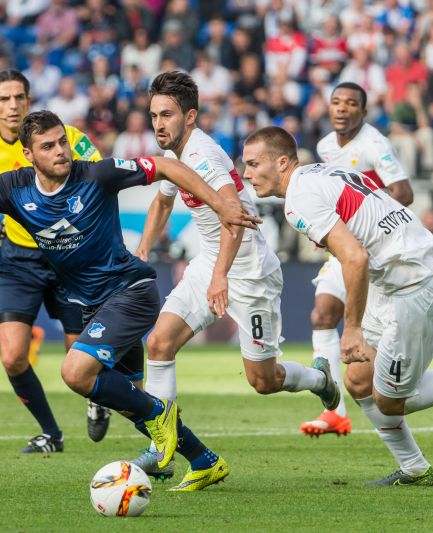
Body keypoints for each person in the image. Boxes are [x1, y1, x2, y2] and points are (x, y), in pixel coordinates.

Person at [0, 109, 259, 487]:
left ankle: (162, 416)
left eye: (63, 142)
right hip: (94, 305)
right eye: (48, 146)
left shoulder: (97, 174)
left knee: (76, 373)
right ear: (29, 155)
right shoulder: (12, 187)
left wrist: (222, 204)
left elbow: (166, 167)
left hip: (131, 293)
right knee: (130, 402)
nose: (61, 151)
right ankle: (204, 460)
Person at [242, 125, 433, 486]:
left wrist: (351, 329)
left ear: (282, 162)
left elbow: (354, 257)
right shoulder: (322, 172)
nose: (247, 173)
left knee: (390, 401)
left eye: (254, 164)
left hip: (413, 289)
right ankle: (414, 468)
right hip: (397, 278)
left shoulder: (299, 199)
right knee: (356, 380)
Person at [130, 71, 339, 488]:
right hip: (210, 261)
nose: (158, 124)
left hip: (249, 271)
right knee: (158, 343)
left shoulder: (203, 156)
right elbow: (162, 202)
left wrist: (221, 277)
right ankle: (162, 449)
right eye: (153, 115)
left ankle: (319, 378)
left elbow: (233, 215)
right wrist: (140, 253)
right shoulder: (174, 157)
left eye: (167, 114)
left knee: (263, 380)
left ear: (190, 117)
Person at [302, 82, 433, 436]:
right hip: (345, 248)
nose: (341, 109)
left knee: (414, 336)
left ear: (364, 111)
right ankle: (334, 412)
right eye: (336, 102)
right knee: (322, 314)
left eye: (351, 104)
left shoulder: (374, 144)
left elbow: (403, 192)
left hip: (375, 252)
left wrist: (356, 221)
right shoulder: (326, 146)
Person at [0, 70, 109, 451]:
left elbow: (100, 174)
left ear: (29, 101)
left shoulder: (62, 137)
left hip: (68, 256)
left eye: (19, 97)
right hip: (18, 258)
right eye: (4, 99)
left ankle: (99, 396)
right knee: (13, 357)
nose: (13, 106)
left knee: (77, 359)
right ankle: (51, 433)